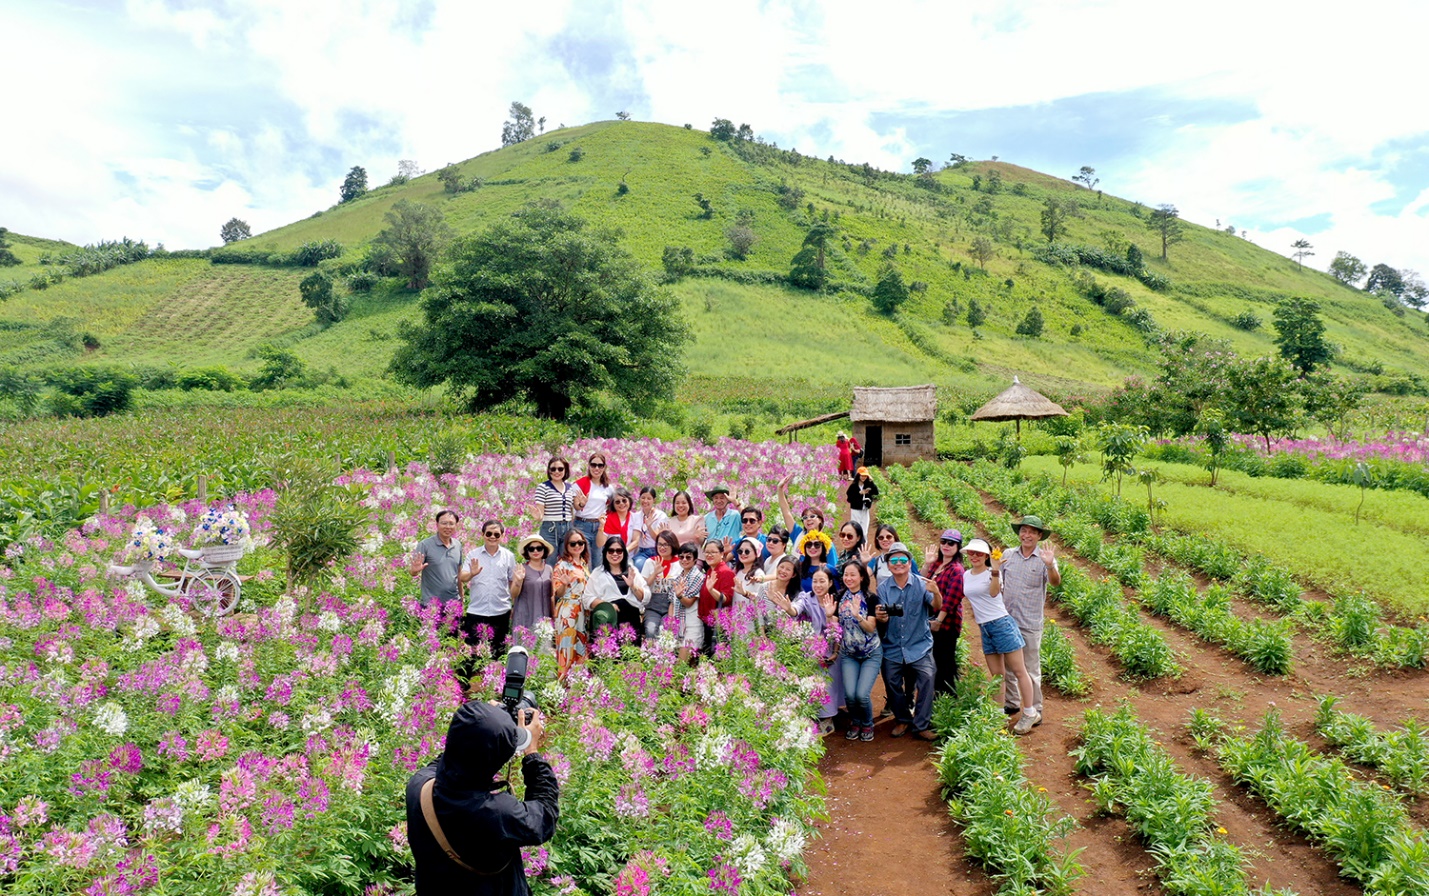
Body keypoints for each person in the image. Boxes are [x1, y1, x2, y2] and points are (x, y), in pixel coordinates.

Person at [405, 700, 557, 895]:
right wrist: (532, 753)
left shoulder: (418, 785)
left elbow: (457, 754)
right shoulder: (497, 814)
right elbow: (544, 816)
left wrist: (482, 722)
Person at [962, 538, 1040, 735]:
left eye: (979, 553)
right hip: (985, 628)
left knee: (1019, 670)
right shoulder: (966, 575)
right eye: (971, 553)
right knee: (997, 675)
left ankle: (1030, 712)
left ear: (987, 556)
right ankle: (998, 715)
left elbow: (995, 593)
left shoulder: (992, 573)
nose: (974, 556)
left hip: (1002, 624)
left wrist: (995, 570)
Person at [874, 541, 943, 741]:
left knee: (928, 678)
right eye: (893, 560)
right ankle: (903, 718)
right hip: (893, 645)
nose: (898, 563)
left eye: (902, 560)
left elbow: (936, 606)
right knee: (891, 681)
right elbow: (882, 615)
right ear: (888, 565)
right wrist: (881, 616)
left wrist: (936, 591)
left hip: (919, 644)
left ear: (910, 562)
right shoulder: (883, 588)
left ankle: (921, 724)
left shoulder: (922, 584)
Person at [768, 565, 842, 736]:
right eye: (815, 581)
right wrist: (788, 608)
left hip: (832, 647)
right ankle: (817, 716)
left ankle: (828, 720)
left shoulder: (835, 600)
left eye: (822, 581)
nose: (818, 585)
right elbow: (796, 609)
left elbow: (836, 632)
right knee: (813, 683)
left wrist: (830, 615)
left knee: (828, 685)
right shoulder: (807, 598)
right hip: (812, 647)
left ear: (830, 583)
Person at [999, 515, 1060, 723]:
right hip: (1008, 620)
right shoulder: (1008, 554)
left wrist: (1050, 565)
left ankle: (1035, 709)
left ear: (1039, 536)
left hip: (1030, 622)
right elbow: (1000, 583)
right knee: (1008, 664)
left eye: (1032, 532)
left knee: (1030, 668)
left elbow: (1055, 583)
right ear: (1019, 534)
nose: (1027, 535)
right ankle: (1012, 701)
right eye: (1024, 531)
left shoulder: (1044, 558)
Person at [836, 560, 881, 742]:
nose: (849, 578)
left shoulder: (871, 598)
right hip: (848, 654)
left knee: (861, 695)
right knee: (850, 694)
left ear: (862, 577)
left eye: (853, 574)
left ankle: (867, 723)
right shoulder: (839, 597)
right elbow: (834, 626)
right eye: (846, 574)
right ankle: (855, 721)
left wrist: (857, 616)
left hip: (871, 652)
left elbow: (871, 627)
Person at [459, 520, 517, 655]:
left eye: (496, 534)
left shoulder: (509, 556)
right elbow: (462, 577)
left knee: (498, 652)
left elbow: (511, 583)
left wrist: (514, 605)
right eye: (489, 533)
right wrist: (472, 573)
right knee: (471, 653)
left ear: (502, 536)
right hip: (477, 611)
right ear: (482, 534)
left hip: (501, 611)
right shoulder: (473, 555)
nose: (492, 537)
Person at [584, 535, 647, 643]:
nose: (615, 554)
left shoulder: (632, 570)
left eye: (619, 551)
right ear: (605, 553)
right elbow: (587, 598)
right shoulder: (598, 573)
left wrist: (633, 586)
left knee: (630, 656)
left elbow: (644, 597)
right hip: (607, 619)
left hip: (630, 621)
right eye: (611, 551)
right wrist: (607, 606)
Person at [924, 529, 965, 695]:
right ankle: (937, 699)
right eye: (944, 542)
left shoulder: (957, 570)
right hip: (931, 620)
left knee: (944, 663)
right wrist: (927, 563)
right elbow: (921, 581)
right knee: (933, 662)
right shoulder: (936, 564)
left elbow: (951, 600)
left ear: (958, 547)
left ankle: (946, 700)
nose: (946, 546)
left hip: (946, 625)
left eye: (951, 543)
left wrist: (938, 622)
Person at [550, 530, 590, 677]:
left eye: (581, 543)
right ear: (566, 545)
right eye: (573, 543)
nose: (577, 546)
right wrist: (565, 585)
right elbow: (558, 594)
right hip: (568, 611)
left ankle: (578, 683)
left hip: (582, 611)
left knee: (580, 647)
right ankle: (563, 684)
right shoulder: (562, 565)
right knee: (567, 648)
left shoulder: (584, 563)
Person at [776, 475, 840, 566]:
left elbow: (833, 569)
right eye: (805, 518)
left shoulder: (826, 543)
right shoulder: (798, 535)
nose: (808, 519)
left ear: (820, 520)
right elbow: (786, 512)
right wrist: (780, 489)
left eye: (812, 516)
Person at [410, 510, 465, 607]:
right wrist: (414, 570)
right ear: (437, 524)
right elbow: (413, 572)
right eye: (444, 523)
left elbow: (459, 573)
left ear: (456, 526)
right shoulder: (425, 545)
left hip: (453, 604)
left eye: (451, 524)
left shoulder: (458, 545)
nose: (448, 527)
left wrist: (462, 598)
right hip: (431, 605)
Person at [530, 457, 579, 554]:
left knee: (566, 560)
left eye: (560, 469)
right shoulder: (543, 487)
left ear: (565, 470)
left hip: (568, 527)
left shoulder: (570, 488)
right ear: (549, 471)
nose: (557, 471)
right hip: (550, 528)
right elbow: (540, 513)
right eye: (553, 469)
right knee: (550, 560)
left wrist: (581, 503)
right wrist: (537, 516)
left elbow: (573, 509)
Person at [639, 531, 681, 641]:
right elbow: (644, 584)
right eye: (659, 544)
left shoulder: (680, 563)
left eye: (666, 544)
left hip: (670, 606)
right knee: (650, 630)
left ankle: (665, 657)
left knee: (665, 631)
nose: (662, 547)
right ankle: (650, 655)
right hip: (653, 605)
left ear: (673, 545)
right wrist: (655, 573)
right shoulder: (650, 562)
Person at [509, 535, 554, 636]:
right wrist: (518, 581)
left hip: (545, 616)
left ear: (544, 550)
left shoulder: (549, 569)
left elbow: (552, 594)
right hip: (526, 615)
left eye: (539, 548)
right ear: (527, 552)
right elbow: (513, 594)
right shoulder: (521, 568)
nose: (535, 551)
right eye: (531, 549)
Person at [698, 538, 735, 656]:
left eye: (713, 552)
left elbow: (726, 599)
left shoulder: (726, 572)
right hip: (708, 621)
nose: (709, 555)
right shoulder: (710, 570)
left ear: (721, 553)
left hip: (719, 623)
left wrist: (711, 590)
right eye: (707, 552)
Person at [671, 542, 705, 664]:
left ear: (695, 559)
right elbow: (672, 603)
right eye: (681, 557)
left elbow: (689, 603)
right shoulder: (677, 577)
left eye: (688, 557)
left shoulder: (698, 577)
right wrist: (670, 623)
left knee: (682, 664)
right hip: (678, 626)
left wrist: (680, 595)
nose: (684, 560)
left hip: (691, 626)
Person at [572, 453, 613, 551]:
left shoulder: (608, 488)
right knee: (586, 560)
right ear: (589, 466)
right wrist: (582, 504)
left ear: (604, 467)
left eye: (600, 465)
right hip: (582, 525)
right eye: (593, 465)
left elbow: (613, 506)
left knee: (598, 561)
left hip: (599, 527)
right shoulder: (580, 484)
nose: (596, 468)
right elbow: (576, 506)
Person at [631, 487, 668, 567]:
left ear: (654, 500)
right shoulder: (636, 516)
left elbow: (658, 539)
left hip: (657, 550)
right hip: (642, 551)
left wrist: (649, 527)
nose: (645, 501)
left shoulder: (660, 516)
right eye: (643, 498)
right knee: (637, 565)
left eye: (649, 498)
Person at [598, 487, 636, 551]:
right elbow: (600, 544)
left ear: (629, 500)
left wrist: (623, 553)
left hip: (628, 555)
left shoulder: (635, 517)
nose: (621, 503)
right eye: (617, 502)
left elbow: (636, 541)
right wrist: (602, 526)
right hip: (611, 555)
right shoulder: (607, 519)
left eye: (624, 500)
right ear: (613, 504)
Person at [846, 467, 879, 532]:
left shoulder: (868, 484)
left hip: (865, 508)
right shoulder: (854, 486)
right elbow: (849, 498)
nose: (863, 477)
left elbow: (876, 492)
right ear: (858, 475)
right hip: (856, 509)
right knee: (855, 527)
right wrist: (859, 493)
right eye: (862, 476)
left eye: (865, 476)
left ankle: (864, 541)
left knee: (865, 528)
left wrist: (871, 482)